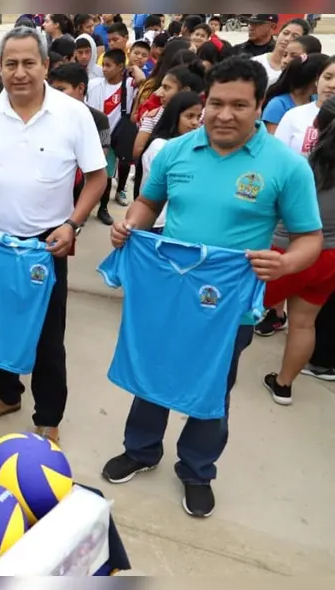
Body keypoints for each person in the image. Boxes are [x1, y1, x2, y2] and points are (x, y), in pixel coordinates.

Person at [102, 57, 323, 518]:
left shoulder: (286, 166)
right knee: (153, 369)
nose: (224, 115)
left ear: (260, 104)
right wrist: (130, 225)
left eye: (239, 105)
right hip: (169, 291)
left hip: (229, 302)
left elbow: (310, 238)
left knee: (212, 386)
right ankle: (142, 450)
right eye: (215, 103)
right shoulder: (177, 151)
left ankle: (197, 469)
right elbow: (148, 201)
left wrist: (282, 266)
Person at [0, 27, 107, 442]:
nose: (19, 72)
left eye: (28, 63)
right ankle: (7, 394)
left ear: (45, 64)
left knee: (46, 335)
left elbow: (97, 178)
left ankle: (48, 418)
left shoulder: (72, 114)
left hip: (47, 243)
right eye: (10, 64)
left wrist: (73, 223)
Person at [261, 96, 335, 405]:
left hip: (286, 252)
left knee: (239, 313)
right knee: (304, 323)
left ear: (318, 127)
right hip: (330, 259)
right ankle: (283, 386)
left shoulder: (303, 168)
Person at [47, 63, 112, 207]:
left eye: (61, 89)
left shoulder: (100, 119)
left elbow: (102, 154)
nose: (54, 95)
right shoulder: (46, 116)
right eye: (52, 90)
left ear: (81, 88)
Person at [138, 91, 204, 232]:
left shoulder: (193, 146)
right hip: (159, 222)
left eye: (198, 117)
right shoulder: (161, 146)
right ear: (174, 116)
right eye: (189, 116)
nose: (195, 122)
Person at [87, 49, 140, 220]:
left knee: (107, 174)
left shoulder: (129, 85)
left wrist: (133, 67)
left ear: (120, 67)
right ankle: (86, 206)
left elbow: (143, 81)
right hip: (94, 135)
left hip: (115, 137)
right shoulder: (94, 84)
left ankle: (103, 208)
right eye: (103, 65)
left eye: (109, 65)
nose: (104, 69)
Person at [132, 61, 207, 159]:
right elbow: (138, 152)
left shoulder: (207, 120)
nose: (159, 93)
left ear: (185, 91)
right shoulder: (154, 116)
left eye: (166, 88)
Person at [275, 57, 335, 157]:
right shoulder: (293, 115)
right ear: (317, 80)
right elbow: (277, 154)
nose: (332, 85)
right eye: (327, 77)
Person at [262, 54, 326, 135]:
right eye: (327, 77)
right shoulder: (278, 105)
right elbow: (272, 139)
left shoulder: (315, 100)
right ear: (314, 79)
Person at [251, 17, 309, 87]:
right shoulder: (254, 62)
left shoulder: (298, 71)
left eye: (295, 36)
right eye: (285, 33)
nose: (287, 39)